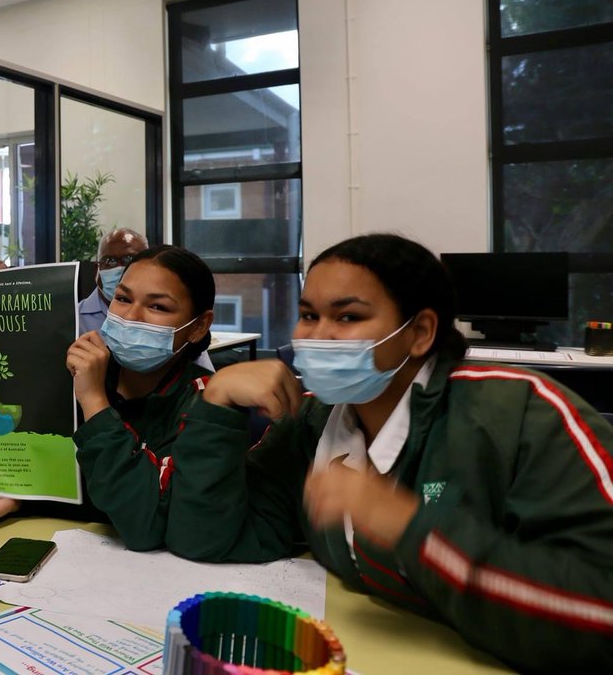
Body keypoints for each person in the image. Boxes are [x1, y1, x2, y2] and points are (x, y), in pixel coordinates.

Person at [184, 233, 613, 672]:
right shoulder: (312, 421)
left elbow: (601, 613)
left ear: (421, 332)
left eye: (348, 316)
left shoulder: (523, 416)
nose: (319, 336)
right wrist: (217, 407)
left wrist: (410, 529)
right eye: (308, 315)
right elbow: (213, 536)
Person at [0, 245, 218, 537]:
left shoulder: (207, 404)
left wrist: (94, 401)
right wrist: (16, 500)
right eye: (122, 298)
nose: (131, 316)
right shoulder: (71, 372)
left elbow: (146, 521)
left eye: (158, 306)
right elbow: (66, 483)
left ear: (199, 326)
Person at [0, 227, 149, 335]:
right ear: (97, 269)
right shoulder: (68, 321)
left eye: (129, 260)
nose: (118, 268)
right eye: (109, 261)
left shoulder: (164, 317)